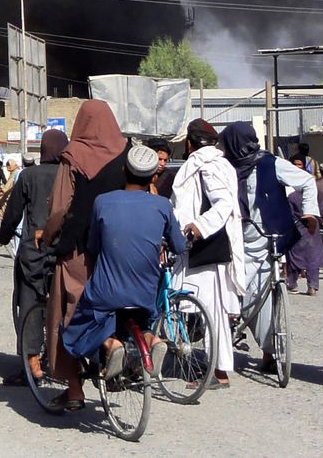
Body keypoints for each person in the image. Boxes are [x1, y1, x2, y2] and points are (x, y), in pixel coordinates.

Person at [61, 145, 184, 383]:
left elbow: (93, 245)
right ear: (152, 177)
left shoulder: (103, 202)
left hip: (108, 292)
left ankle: (110, 343)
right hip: (145, 293)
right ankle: (152, 340)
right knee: (144, 321)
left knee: (77, 325)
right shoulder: (162, 206)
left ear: (124, 170)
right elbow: (178, 246)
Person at [35, 99, 129, 411]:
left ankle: (74, 388)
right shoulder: (128, 152)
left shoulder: (74, 155)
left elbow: (61, 206)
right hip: (118, 246)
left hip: (79, 248)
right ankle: (119, 359)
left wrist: (47, 236)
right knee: (115, 302)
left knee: (66, 310)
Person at [222, 120, 317, 374]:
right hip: (236, 243)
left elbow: (307, 182)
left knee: (261, 298)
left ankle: (270, 352)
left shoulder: (270, 163)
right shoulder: (226, 168)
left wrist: (310, 214)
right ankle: (248, 349)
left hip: (267, 240)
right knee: (241, 297)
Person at [170, 118, 242, 390]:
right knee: (213, 312)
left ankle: (218, 371)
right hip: (208, 247)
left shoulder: (205, 166)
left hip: (205, 248)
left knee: (211, 312)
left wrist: (200, 226)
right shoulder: (219, 163)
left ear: (190, 143)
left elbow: (223, 204)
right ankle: (218, 367)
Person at [0, 128, 67, 386]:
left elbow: (13, 212)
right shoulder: (71, 175)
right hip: (64, 251)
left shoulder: (29, 176)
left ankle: (32, 364)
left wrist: (3, 238)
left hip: (34, 252)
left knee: (28, 303)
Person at [286, 153, 323, 296]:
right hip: (307, 227)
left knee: (298, 256)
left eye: (299, 164)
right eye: (294, 164)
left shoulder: (294, 194)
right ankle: (305, 285)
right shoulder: (292, 186)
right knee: (308, 256)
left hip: (304, 227)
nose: (297, 167)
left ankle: (299, 284)